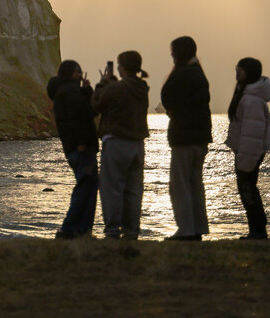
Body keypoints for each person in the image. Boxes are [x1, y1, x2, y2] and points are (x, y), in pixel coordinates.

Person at [91, 51, 150, 240]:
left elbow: (96, 104)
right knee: (133, 190)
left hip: (115, 142)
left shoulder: (116, 88)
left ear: (122, 67)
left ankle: (112, 230)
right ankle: (132, 230)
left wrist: (102, 83)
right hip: (137, 144)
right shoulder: (142, 88)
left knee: (112, 189)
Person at [160, 36, 212, 241]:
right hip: (198, 137)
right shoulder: (197, 73)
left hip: (185, 136)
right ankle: (197, 226)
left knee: (180, 184)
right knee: (194, 183)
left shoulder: (185, 74)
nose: (171, 55)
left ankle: (187, 228)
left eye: (173, 51)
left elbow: (170, 97)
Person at [47, 60, 99, 239]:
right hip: (81, 147)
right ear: (70, 73)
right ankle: (70, 229)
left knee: (87, 186)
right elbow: (79, 117)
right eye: (78, 72)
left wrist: (86, 91)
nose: (80, 75)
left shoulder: (66, 90)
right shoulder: (69, 90)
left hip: (73, 147)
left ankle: (82, 230)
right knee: (86, 186)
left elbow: (86, 112)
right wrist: (83, 142)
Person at [225, 57, 270, 240]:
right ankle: (257, 229)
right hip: (246, 151)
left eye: (240, 69)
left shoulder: (251, 100)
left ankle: (258, 230)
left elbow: (252, 134)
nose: (237, 72)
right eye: (236, 68)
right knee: (248, 189)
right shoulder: (245, 95)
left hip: (249, 153)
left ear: (250, 72)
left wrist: (245, 158)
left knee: (248, 190)